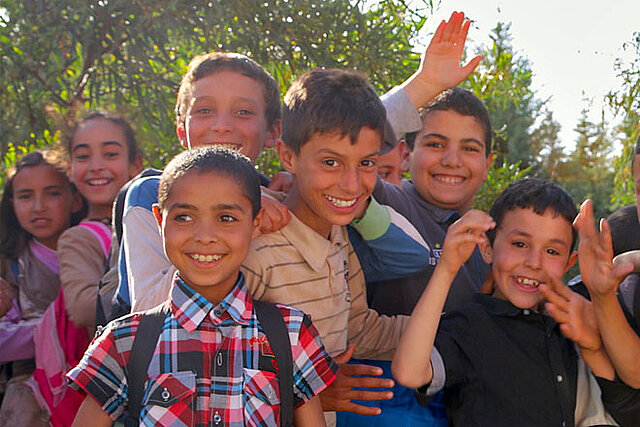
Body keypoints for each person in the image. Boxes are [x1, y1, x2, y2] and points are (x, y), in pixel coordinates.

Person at [68, 146, 337, 426]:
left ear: (255, 223)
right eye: (184, 217)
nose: (205, 236)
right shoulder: (125, 341)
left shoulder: (291, 334)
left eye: (226, 218)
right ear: (160, 221)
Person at [392, 178, 633, 425]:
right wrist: (447, 269)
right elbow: (409, 373)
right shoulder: (471, 325)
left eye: (552, 251)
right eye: (520, 244)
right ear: (487, 248)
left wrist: (592, 344)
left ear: (569, 264)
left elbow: (615, 401)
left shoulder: (567, 324)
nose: (533, 262)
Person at [114, 51, 290, 315]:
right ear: (181, 130)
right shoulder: (148, 194)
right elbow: (147, 307)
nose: (221, 126)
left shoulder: (278, 196)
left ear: (272, 131)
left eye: (243, 112)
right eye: (204, 110)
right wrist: (232, 213)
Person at [0, 150, 82, 425]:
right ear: (11, 204)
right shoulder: (10, 266)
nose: (38, 206)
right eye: (25, 196)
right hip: (28, 394)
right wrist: (61, 330)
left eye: (52, 194)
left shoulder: (99, 250)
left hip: (89, 382)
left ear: (75, 199)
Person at [60, 111, 142, 331]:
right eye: (83, 156)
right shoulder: (78, 239)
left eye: (110, 154)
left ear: (135, 165)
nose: (96, 166)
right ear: (70, 168)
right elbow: (83, 309)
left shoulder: (148, 219)